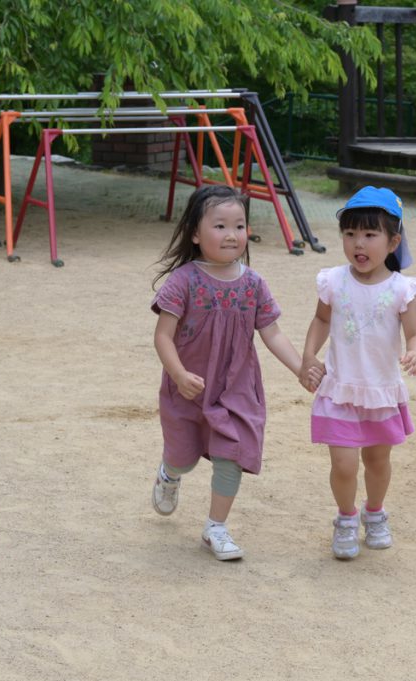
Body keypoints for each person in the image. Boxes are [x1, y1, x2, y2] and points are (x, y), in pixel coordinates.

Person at [149, 185, 306, 561]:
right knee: (184, 457)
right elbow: (163, 336)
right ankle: (170, 473)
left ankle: (215, 527)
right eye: (219, 226)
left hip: (236, 387)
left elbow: (272, 333)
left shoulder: (253, 284)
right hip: (188, 388)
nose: (231, 234)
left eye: (239, 225)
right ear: (195, 234)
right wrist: (179, 374)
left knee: (231, 452)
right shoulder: (184, 281)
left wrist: (302, 369)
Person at [301, 186, 416, 560]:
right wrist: (308, 355)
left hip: (380, 392)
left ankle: (375, 512)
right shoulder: (333, 281)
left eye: (370, 234)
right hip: (339, 390)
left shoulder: (402, 289)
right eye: (350, 233)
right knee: (343, 464)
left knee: (377, 461)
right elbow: (321, 320)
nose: (359, 243)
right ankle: (345, 517)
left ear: (393, 242)